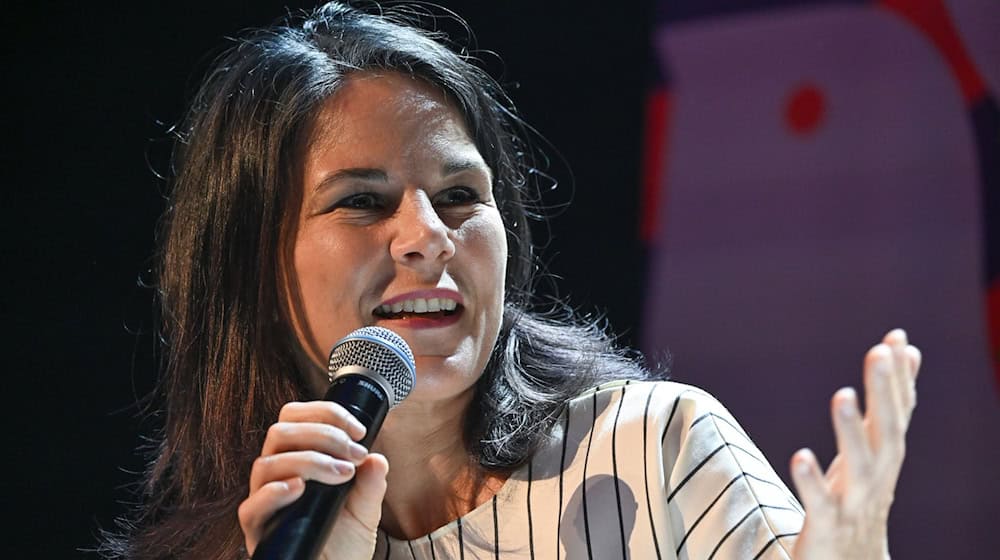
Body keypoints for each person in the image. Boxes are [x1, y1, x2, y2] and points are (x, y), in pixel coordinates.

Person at [101, 2, 922, 559]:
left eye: (461, 197)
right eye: (361, 202)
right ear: (250, 259)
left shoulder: (653, 447)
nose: (427, 237)